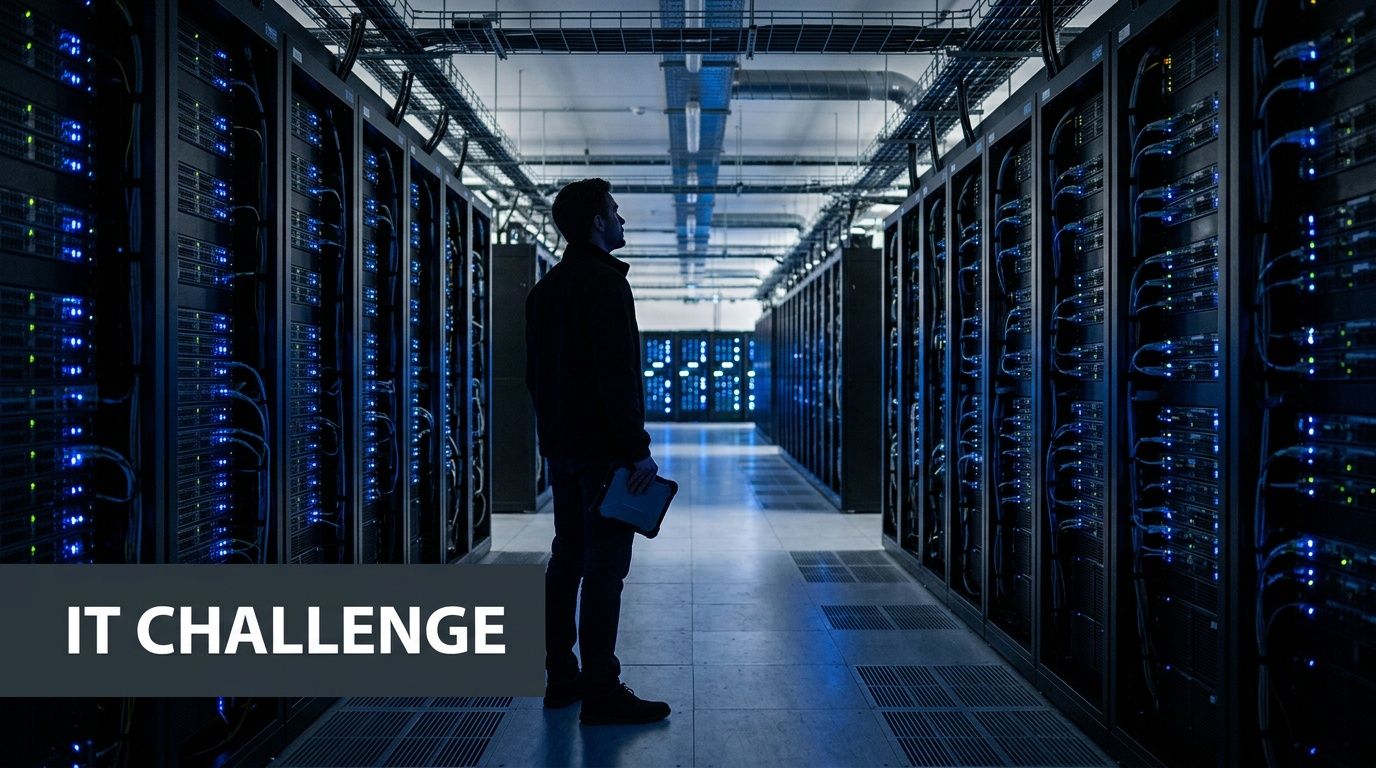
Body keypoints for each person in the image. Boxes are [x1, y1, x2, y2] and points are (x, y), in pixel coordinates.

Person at [524, 178, 670, 725]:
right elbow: (617, 377)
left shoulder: (545, 290)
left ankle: (561, 678)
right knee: (605, 570)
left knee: (566, 560)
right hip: (603, 455)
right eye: (614, 211)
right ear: (595, 223)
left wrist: (553, 440)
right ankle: (602, 690)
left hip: (561, 451)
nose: (622, 220)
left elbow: (534, 377)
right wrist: (637, 451)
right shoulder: (607, 285)